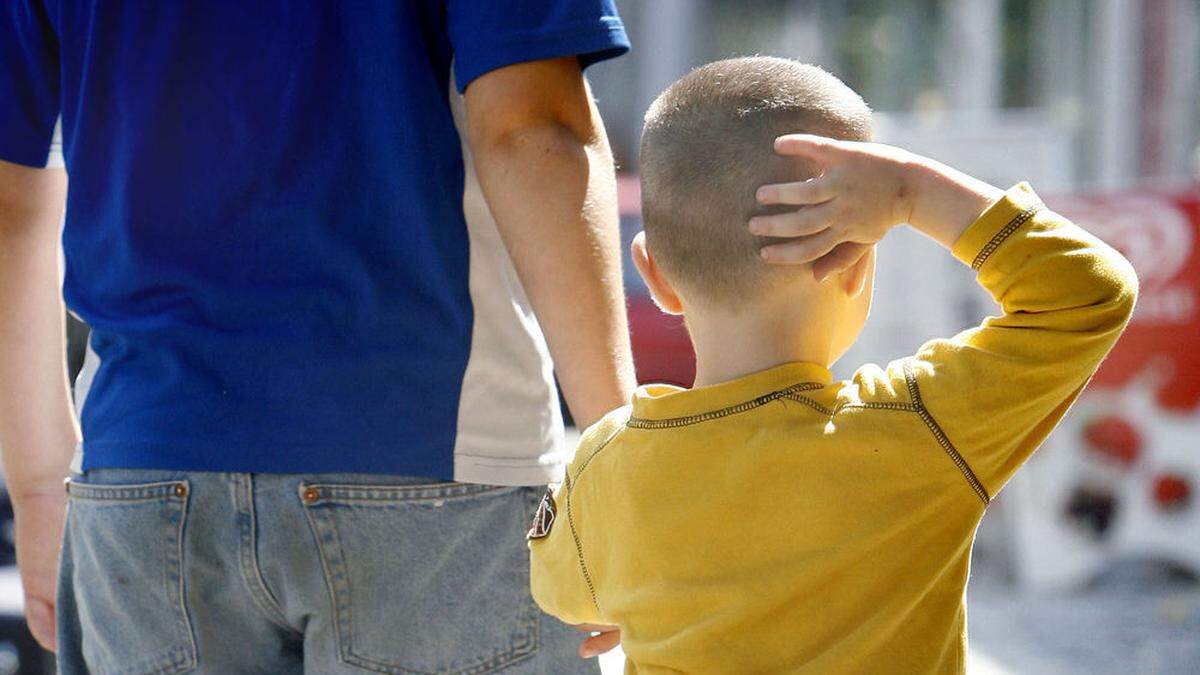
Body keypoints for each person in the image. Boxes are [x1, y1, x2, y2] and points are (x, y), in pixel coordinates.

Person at [0, 2, 635, 672]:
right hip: (437, 466)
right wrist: (620, 464)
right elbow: (530, 126)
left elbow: (12, 199)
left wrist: (40, 486)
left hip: (142, 466)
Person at [528, 57, 1138, 673]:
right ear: (858, 267)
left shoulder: (605, 466)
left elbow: (565, 594)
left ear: (653, 273)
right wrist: (914, 193)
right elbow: (1089, 292)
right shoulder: (921, 427)